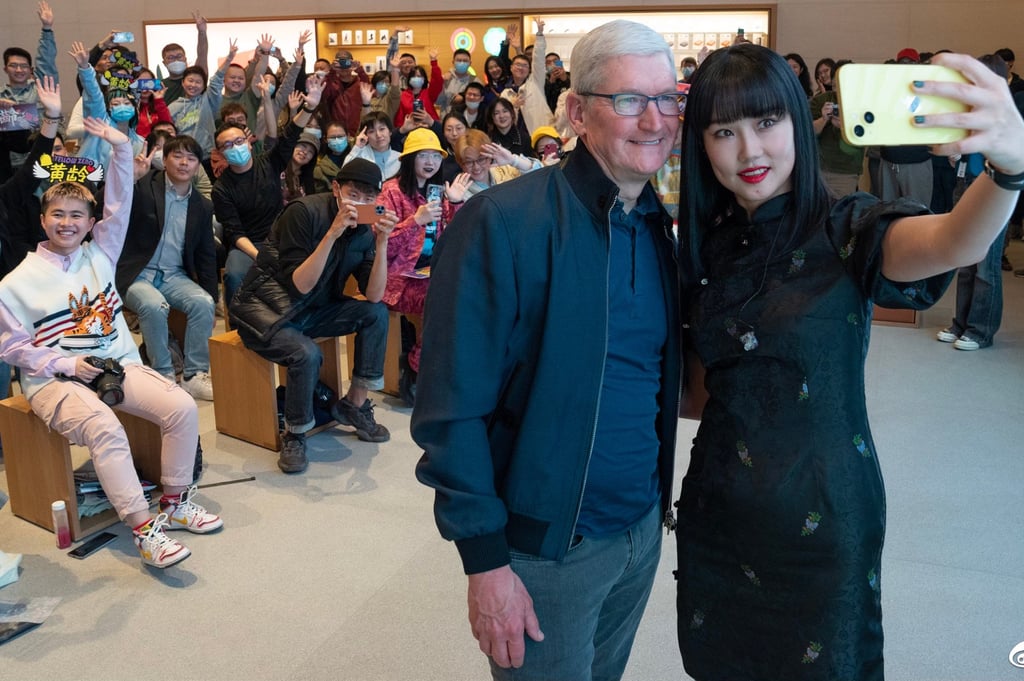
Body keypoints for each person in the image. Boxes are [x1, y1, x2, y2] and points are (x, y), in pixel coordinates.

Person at [675, 42, 1024, 680]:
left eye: (767, 122)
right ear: (701, 144)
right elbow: (698, 394)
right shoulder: (705, 246)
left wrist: (1009, 170)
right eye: (724, 132)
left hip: (823, 519)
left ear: (799, 123)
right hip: (719, 515)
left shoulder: (846, 226)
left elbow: (952, 239)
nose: (750, 150)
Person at [412, 19, 682, 680]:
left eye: (666, 98)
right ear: (577, 113)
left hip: (640, 531)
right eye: (629, 99)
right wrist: (485, 562)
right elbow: (449, 409)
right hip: (547, 552)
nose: (654, 120)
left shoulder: (657, 226)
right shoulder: (502, 223)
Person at [0, 118, 223, 569]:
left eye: (76, 215)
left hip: (115, 364)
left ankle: (175, 502)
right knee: (105, 427)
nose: (67, 223)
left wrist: (122, 149)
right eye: (58, 214)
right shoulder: (14, 283)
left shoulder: (100, 253)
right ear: (43, 220)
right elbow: (11, 349)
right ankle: (144, 530)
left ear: (90, 223)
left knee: (181, 407)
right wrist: (67, 365)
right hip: (53, 381)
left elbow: (120, 203)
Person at [229, 159, 397, 473]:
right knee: (306, 353)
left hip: (313, 310)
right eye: (353, 194)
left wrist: (383, 242)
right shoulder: (303, 213)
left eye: (368, 198)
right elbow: (301, 285)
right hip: (266, 312)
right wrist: (332, 234)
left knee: (375, 312)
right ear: (336, 188)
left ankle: (354, 405)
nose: (359, 203)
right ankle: (295, 433)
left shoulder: (364, 230)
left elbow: (374, 294)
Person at [117, 134, 218, 399]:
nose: (184, 163)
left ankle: (195, 374)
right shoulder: (145, 185)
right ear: (165, 160)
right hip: (136, 273)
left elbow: (206, 254)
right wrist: (130, 179)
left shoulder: (202, 205)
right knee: (154, 305)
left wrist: (212, 296)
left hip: (174, 275)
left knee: (203, 303)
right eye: (177, 156)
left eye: (191, 158)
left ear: (198, 166)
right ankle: (163, 374)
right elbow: (107, 206)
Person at [375, 128, 468, 407]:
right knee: (442, 299)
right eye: (423, 155)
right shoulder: (389, 192)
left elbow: (460, 235)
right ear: (409, 158)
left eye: (435, 156)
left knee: (469, 293)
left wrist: (457, 202)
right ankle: (417, 368)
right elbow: (381, 242)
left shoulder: (438, 192)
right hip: (398, 280)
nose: (430, 162)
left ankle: (444, 367)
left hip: (432, 273)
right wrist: (415, 220)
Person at [212, 75, 321, 309]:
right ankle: (238, 327)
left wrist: (309, 107)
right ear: (220, 152)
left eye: (238, 141)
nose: (235, 147)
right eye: (227, 145)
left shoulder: (269, 162)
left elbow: (290, 134)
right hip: (247, 244)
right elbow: (234, 232)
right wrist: (259, 256)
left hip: (282, 237)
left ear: (248, 142)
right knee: (234, 276)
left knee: (309, 270)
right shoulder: (221, 188)